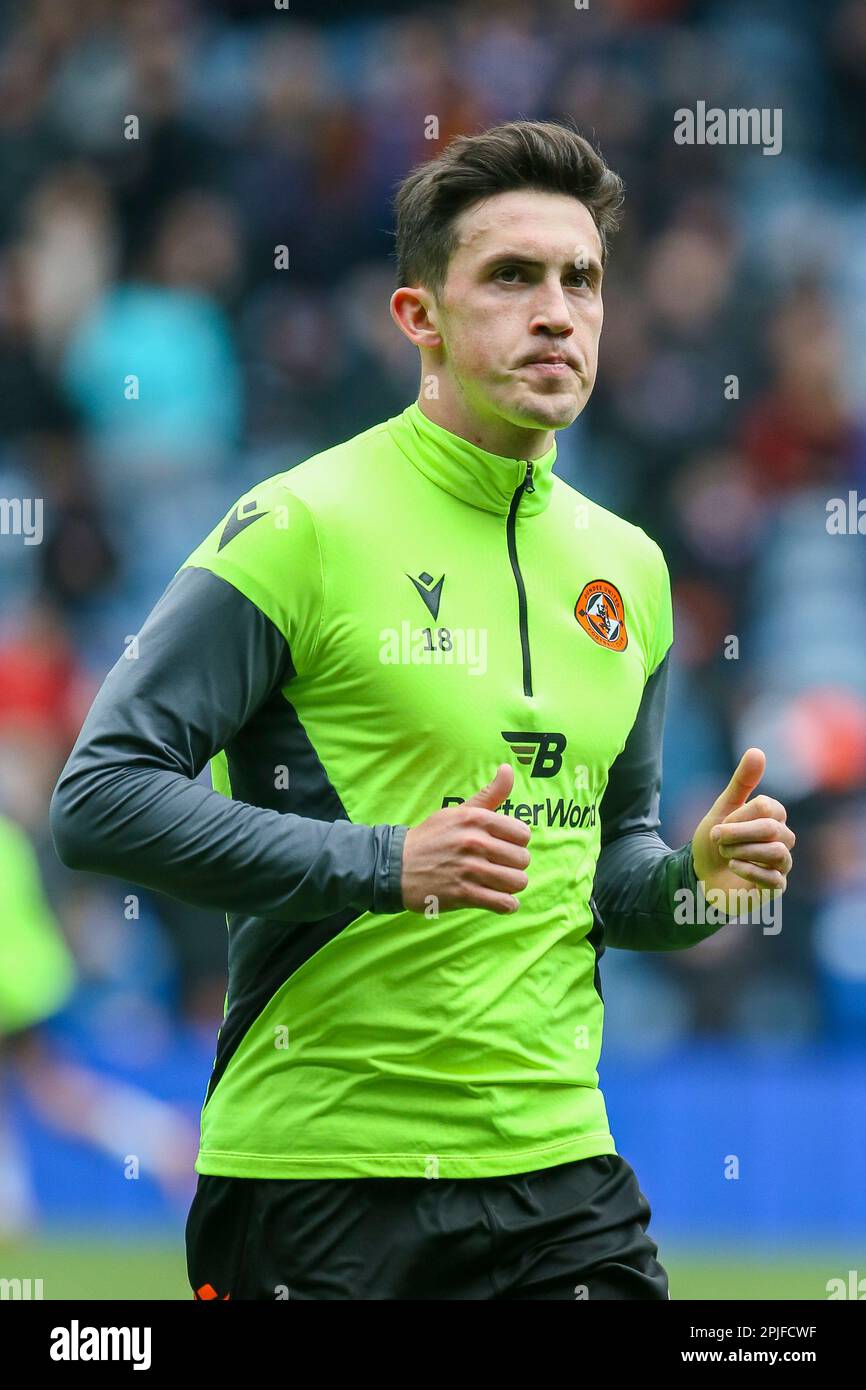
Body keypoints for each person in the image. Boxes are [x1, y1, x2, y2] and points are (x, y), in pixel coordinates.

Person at [49, 119, 795, 1300]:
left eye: (580, 279)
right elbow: (98, 801)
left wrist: (695, 878)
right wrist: (385, 860)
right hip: (317, 1183)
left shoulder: (632, 571)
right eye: (509, 276)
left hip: (559, 1181)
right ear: (419, 319)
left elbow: (610, 877)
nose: (556, 310)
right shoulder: (303, 525)